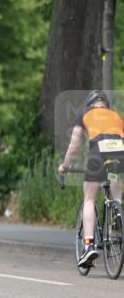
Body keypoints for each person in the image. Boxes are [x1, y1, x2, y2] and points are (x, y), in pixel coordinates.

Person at [58, 90, 124, 268]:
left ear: (90, 104)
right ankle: (117, 215)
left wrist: (65, 166)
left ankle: (88, 246)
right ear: (106, 106)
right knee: (115, 180)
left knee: (89, 199)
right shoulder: (116, 116)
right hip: (120, 154)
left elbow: (74, 145)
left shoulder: (85, 113)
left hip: (98, 156)